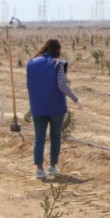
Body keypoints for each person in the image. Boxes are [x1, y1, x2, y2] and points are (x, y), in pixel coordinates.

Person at [26, 39, 82, 180]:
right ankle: (52, 166)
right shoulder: (58, 64)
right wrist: (76, 99)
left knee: (39, 137)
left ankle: (39, 169)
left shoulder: (31, 63)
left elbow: (30, 85)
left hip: (38, 106)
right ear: (57, 49)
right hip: (56, 106)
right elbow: (62, 85)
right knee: (55, 136)